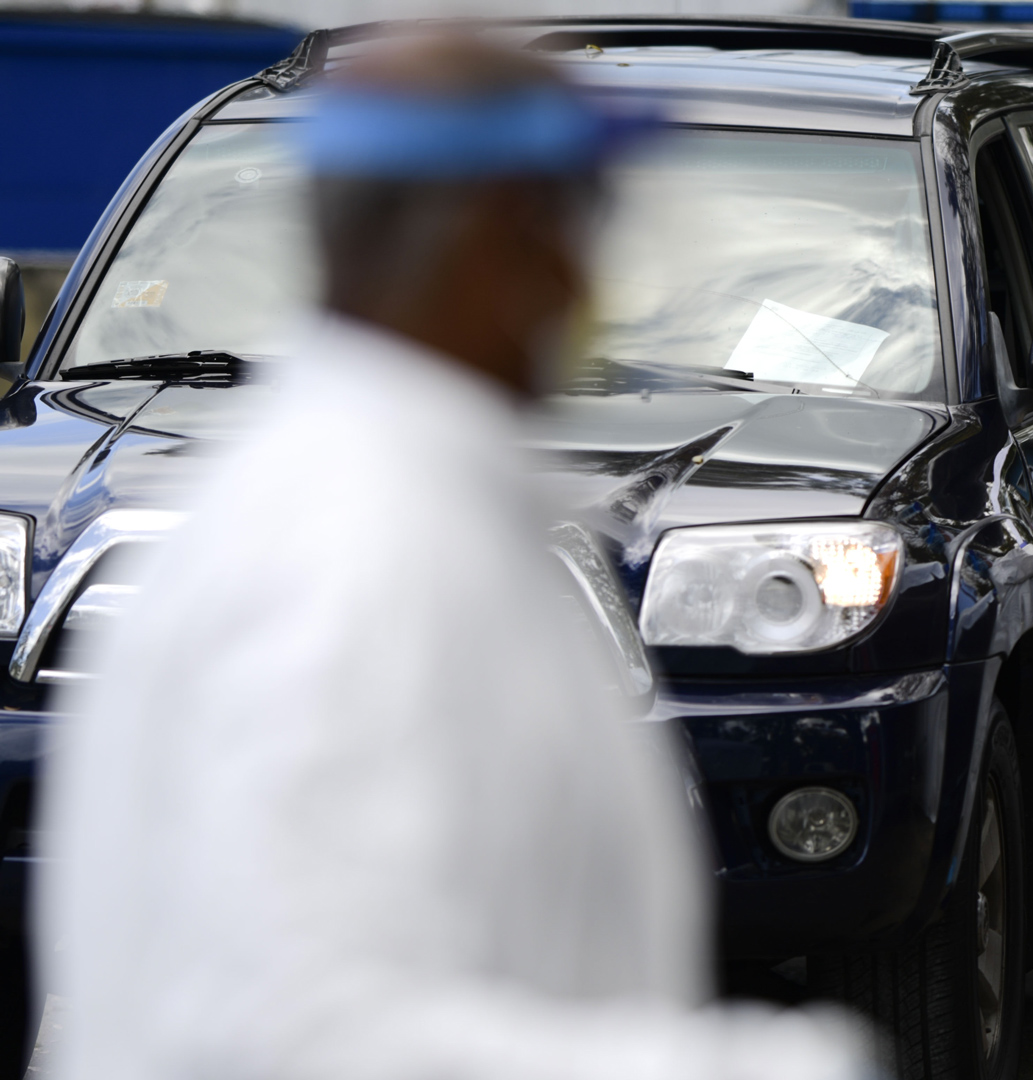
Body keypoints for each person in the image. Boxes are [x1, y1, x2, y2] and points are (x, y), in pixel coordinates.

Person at [36, 35, 873, 1080]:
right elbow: (281, 1021)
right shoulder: (354, 547)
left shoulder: (393, 501)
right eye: (574, 224)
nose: (588, 276)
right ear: (493, 240)